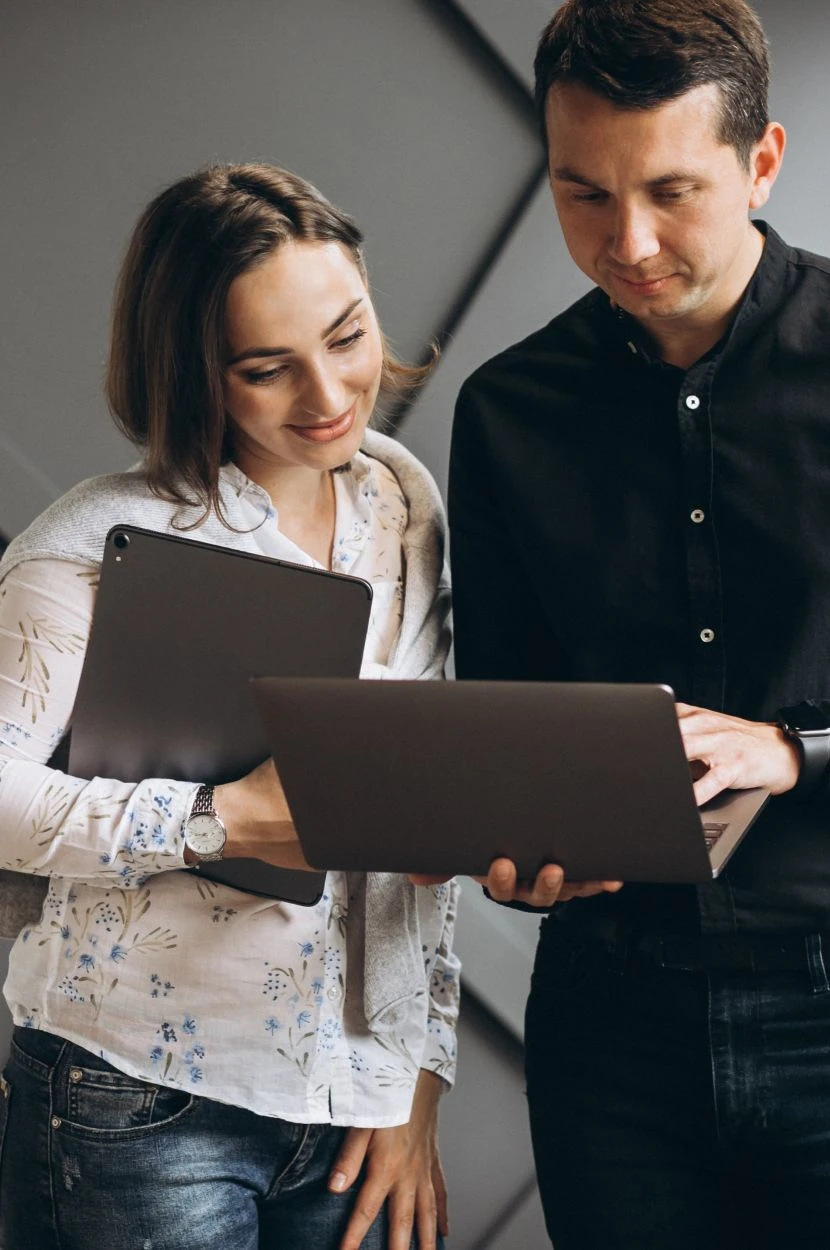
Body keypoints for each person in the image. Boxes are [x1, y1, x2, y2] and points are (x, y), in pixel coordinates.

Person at [446, 2, 830, 1246]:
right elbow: (512, 723)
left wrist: (792, 748)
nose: (625, 241)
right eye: (581, 192)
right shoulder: (506, 412)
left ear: (762, 161)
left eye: (671, 191)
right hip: (608, 1034)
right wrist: (516, 852)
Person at [0, 163, 459, 1250]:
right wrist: (222, 818)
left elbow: (421, 793)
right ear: (192, 373)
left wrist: (414, 1074)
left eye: (347, 336)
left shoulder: (404, 503)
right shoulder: (96, 547)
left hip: (352, 1113)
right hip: (133, 1103)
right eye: (266, 369)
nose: (329, 394)